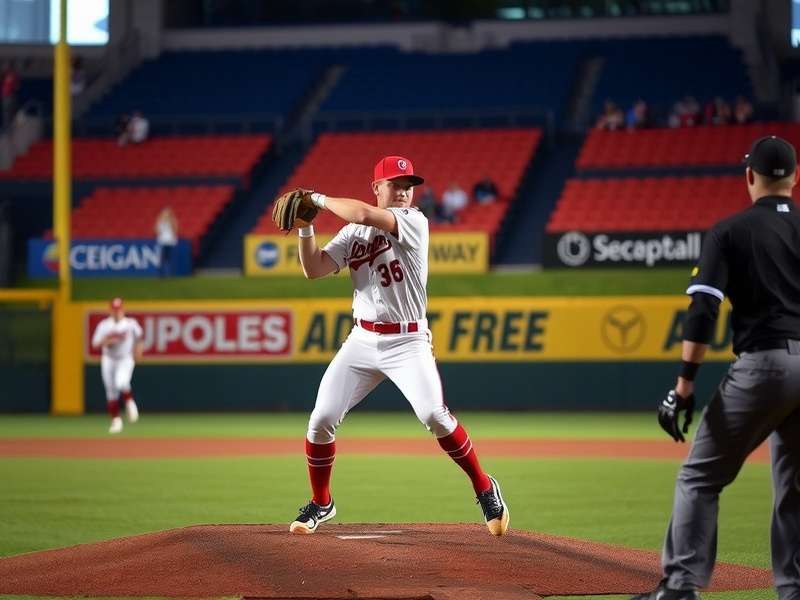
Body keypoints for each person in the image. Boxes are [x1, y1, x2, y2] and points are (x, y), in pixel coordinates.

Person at [287, 155, 510, 536]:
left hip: (408, 340)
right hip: (362, 339)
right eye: (396, 184)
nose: (405, 191)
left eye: (409, 185)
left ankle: (485, 487)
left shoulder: (414, 221)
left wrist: (316, 199)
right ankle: (322, 502)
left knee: (434, 416)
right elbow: (314, 269)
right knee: (321, 420)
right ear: (377, 188)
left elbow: (360, 213)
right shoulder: (353, 234)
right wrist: (306, 227)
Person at [631, 136, 800, 600]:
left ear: (750, 177)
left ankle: (682, 586)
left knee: (699, 478)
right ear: (795, 178)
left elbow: (704, 310)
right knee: (795, 487)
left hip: (764, 364)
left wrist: (684, 385)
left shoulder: (731, 231)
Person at [90, 297, 144, 434]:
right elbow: (95, 343)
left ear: (123, 310)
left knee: (121, 382)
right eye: (114, 310)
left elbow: (140, 338)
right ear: (110, 310)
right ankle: (116, 421)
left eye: (119, 309)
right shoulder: (104, 325)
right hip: (108, 359)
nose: (117, 312)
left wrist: (138, 352)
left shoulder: (130, 324)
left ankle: (130, 402)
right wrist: (106, 341)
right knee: (111, 392)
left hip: (125, 358)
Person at [154, 206, 179, 277]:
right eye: (165, 213)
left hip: (170, 241)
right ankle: (161, 273)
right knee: (162, 258)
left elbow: (175, 229)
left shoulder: (172, 221)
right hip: (162, 241)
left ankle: (168, 273)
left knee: (168, 258)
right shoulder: (160, 221)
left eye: (167, 213)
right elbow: (157, 230)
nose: (166, 214)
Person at [1, 61, 20, 130]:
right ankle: (7, 127)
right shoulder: (4, 75)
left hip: (11, 96)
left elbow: (17, 87)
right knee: (6, 113)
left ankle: (12, 127)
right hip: (5, 96)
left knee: (11, 112)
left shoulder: (14, 75)